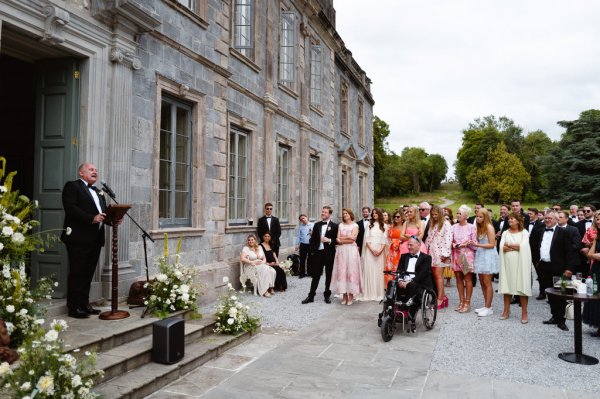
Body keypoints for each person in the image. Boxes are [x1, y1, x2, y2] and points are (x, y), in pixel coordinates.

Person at [61, 163, 110, 318]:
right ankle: (74, 307)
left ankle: (84, 304)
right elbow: (71, 208)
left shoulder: (98, 191)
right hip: (78, 238)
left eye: (96, 169)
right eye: (91, 169)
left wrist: (112, 219)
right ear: (81, 173)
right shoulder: (72, 186)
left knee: (88, 273)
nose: (95, 171)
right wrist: (91, 218)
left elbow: (101, 214)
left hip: (95, 239)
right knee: (77, 273)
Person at [529, 210, 578, 331]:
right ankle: (554, 316)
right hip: (543, 266)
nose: (547, 220)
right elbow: (534, 246)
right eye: (546, 218)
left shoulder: (563, 232)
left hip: (558, 268)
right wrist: (536, 262)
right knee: (549, 293)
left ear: (556, 220)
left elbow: (570, 252)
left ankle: (561, 320)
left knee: (560, 293)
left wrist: (569, 268)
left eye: (550, 218)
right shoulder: (539, 230)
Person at [393, 236, 433, 331]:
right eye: (408, 245)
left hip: (419, 283)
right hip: (404, 282)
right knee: (391, 283)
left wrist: (409, 282)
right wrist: (400, 280)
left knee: (411, 286)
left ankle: (407, 310)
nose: (409, 247)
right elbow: (399, 270)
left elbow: (423, 274)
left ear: (418, 245)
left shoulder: (426, 258)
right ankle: (392, 308)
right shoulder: (404, 256)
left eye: (411, 245)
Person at [498, 212, 531, 323]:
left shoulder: (524, 232)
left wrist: (510, 245)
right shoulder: (505, 233)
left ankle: (525, 313)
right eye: (509, 219)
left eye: (512, 219)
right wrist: (515, 247)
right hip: (508, 264)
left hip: (520, 264)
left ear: (518, 220)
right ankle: (506, 310)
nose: (510, 221)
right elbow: (502, 247)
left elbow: (524, 246)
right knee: (507, 288)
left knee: (521, 288)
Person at [302, 206, 338, 304]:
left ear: (330, 214)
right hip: (318, 253)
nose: (323, 213)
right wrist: (313, 250)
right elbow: (313, 239)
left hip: (329, 253)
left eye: (325, 212)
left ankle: (327, 295)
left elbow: (337, 240)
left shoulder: (335, 226)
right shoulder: (317, 225)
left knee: (329, 275)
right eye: (322, 212)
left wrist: (329, 240)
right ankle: (311, 296)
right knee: (315, 275)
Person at [471, 208, 499, 317]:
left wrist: (477, 245)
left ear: (485, 217)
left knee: (487, 282)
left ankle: (489, 308)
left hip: (488, 256)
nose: (478, 218)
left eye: (480, 217)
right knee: (481, 281)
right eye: (477, 216)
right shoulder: (479, 227)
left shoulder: (489, 227)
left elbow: (492, 244)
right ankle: (487, 305)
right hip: (481, 254)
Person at [331, 208, 362, 305]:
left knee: (351, 272)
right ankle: (344, 295)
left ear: (350, 214)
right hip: (341, 251)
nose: (344, 215)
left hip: (351, 251)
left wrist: (342, 239)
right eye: (343, 213)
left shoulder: (355, 225)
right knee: (341, 272)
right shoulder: (340, 225)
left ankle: (351, 295)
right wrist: (346, 238)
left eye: (346, 213)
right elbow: (337, 238)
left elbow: (353, 239)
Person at [424, 205, 452, 309]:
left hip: (441, 253)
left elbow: (448, 239)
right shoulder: (432, 223)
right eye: (432, 214)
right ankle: (443, 297)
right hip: (431, 252)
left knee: (439, 276)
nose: (434, 216)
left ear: (440, 214)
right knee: (435, 276)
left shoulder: (446, 224)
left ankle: (440, 299)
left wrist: (445, 254)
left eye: (436, 214)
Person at [451, 204, 477, 313]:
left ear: (466, 215)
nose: (457, 215)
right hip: (456, 255)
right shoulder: (453, 227)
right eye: (457, 213)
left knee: (467, 279)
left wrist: (468, 244)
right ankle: (461, 301)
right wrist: (455, 245)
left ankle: (467, 302)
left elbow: (475, 245)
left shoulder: (471, 227)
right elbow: (450, 241)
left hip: (466, 256)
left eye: (460, 213)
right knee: (458, 278)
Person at [360, 208, 388, 301]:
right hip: (370, 250)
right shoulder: (369, 225)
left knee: (378, 271)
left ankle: (378, 293)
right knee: (369, 270)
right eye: (373, 213)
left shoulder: (384, 225)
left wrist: (380, 250)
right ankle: (368, 293)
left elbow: (385, 240)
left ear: (379, 214)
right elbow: (366, 239)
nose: (374, 214)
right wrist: (372, 250)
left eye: (376, 213)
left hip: (380, 250)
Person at [583, 234, 600, 337]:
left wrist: (594, 255)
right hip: (596, 269)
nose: (598, 221)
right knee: (595, 294)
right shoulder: (597, 238)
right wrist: (595, 255)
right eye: (597, 219)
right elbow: (589, 254)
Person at [384, 210, 404, 288]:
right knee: (389, 268)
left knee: (398, 267)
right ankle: (390, 287)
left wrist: (399, 243)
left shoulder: (404, 226)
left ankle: (399, 286)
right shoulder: (391, 226)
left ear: (402, 218)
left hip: (400, 249)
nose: (396, 218)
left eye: (398, 216)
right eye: (395, 216)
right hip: (391, 250)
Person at [294, 214, 313, 278]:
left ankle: (309, 273)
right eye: (301, 219)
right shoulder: (301, 227)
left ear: (306, 217)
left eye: (303, 218)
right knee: (302, 259)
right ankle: (302, 273)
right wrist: (297, 244)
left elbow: (317, 234)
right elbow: (298, 236)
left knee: (310, 259)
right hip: (303, 244)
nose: (303, 220)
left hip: (310, 244)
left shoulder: (313, 225)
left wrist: (312, 234)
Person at [442, 207, 455, 287]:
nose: (446, 220)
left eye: (447, 219)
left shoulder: (453, 227)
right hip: (442, 247)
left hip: (451, 248)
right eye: (444, 219)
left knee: (449, 264)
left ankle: (448, 280)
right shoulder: (441, 227)